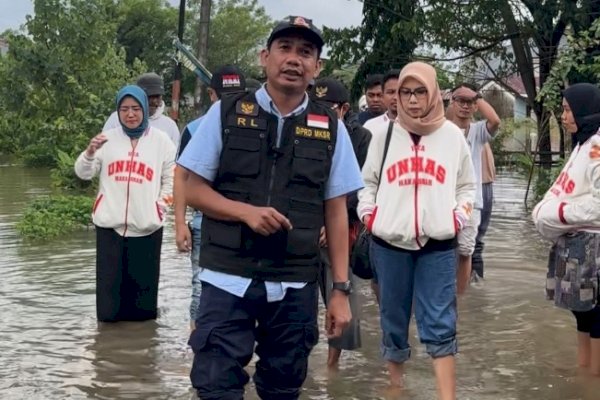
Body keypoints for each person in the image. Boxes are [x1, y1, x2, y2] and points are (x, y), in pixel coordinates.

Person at [177, 16, 363, 399]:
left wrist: (340, 291)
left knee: (283, 386)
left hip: (295, 281)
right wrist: (244, 212)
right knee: (215, 385)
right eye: (285, 48)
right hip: (226, 276)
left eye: (305, 52)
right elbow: (192, 189)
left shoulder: (330, 126)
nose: (294, 59)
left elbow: (337, 210)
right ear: (265, 57)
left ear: (317, 67)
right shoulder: (226, 113)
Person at [358, 61, 476, 399]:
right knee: (393, 320)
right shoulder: (381, 135)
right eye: (406, 92)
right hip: (389, 243)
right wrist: (370, 216)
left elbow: (467, 187)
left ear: (433, 93)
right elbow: (366, 184)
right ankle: (395, 390)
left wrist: (457, 218)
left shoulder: (453, 137)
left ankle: (446, 396)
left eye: (419, 92)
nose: (411, 100)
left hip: (437, 245)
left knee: (441, 321)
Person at [74, 85, 176, 322]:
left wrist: (159, 208)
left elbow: (172, 180)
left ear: (144, 109)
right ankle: (108, 352)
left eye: (136, 109)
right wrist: (89, 153)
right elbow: (83, 173)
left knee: (142, 309)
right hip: (110, 228)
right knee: (108, 309)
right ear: (118, 112)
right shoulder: (106, 139)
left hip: (148, 228)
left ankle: (140, 353)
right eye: (124, 109)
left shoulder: (162, 142)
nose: (130, 114)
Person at [533, 83, 600, 375]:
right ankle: (583, 375)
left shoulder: (597, 149)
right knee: (583, 316)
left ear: (585, 111)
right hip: (576, 246)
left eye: (567, 109)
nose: (563, 116)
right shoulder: (582, 146)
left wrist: (559, 213)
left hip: (593, 249)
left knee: (597, 317)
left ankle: (593, 379)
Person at [174, 65, 246, 329]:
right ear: (211, 94)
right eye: (224, 95)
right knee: (200, 285)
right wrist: (180, 223)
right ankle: (198, 349)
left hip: (245, 220)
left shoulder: (256, 126)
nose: (230, 101)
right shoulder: (195, 129)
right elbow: (181, 177)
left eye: (236, 95)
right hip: (204, 220)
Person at [309, 76, 372, 368]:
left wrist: (331, 222)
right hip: (304, 225)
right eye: (316, 105)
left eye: (329, 108)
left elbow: (357, 188)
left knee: (342, 293)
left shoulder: (361, 139)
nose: (321, 113)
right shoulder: (306, 130)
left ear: (344, 108)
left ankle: (332, 365)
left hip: (340, 228)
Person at [445, 83, 500, 293]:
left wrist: (475, 96)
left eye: (470, 103)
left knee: (466, 250)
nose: (465, 106)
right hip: (445, 199)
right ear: (453, 102)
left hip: (471, 201)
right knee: (444, 250)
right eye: (461, 101)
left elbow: (495, 120)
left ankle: (459, 298)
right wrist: (452, 95)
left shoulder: (477, 132)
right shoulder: (443, 128)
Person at [103, 72, 181, 147]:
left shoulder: (169, 126)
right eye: (149, 96)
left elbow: (173, 157)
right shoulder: (116, 119)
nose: (154, 101)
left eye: (157, 96)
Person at [472, 142, 496, 280]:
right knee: (475, 243)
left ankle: (471, 288)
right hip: (483, 180)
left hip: (481, 180)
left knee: (473, 243)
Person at [364, 69, 399, 134]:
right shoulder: (369, 126)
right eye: (391, 92)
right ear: (384, 94)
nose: (395, 97)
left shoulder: (417, 127)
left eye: (400, 92)